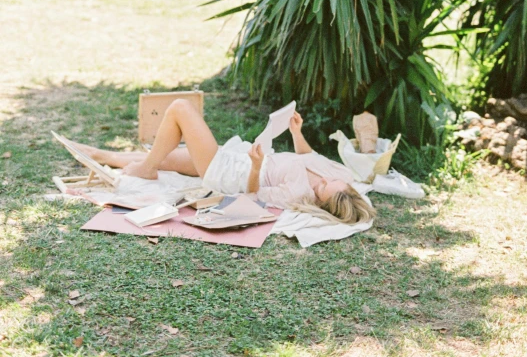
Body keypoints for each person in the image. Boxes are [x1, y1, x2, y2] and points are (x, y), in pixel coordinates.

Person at [70, 100, 375, 225]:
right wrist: (296, 132)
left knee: (179, 108)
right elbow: (309, 157)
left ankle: (146, 169)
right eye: (328, 180)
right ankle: (101, 155)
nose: (321, 180)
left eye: (322, 188)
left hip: (232, 175)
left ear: (321, 202)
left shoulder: (299, 195)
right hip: (238, 159)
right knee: (165, 159)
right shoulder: (338, 173)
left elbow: (253, 196)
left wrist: (256, 168)